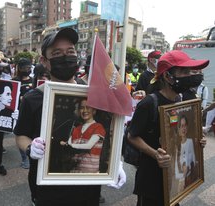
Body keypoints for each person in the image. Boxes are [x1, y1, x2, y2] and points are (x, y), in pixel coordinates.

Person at [14, 27, 126, 206]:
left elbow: (110, 130)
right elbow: (21, 135)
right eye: (57, 53)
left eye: (70, 51)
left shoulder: (95, 94)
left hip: (87, 188)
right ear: (45, 61)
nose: (65, 57)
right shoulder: (32, 98)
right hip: (48, 189)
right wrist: (30, 149)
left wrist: (114, 162)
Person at [127, 50, 208, 206]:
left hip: (173, 179)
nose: (189, 75)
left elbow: (181, 135)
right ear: (167, 76)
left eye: (189, 71)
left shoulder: (182, 100)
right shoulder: (149, 104)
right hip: (151, 180)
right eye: (183, 71)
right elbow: (131, 136)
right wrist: (155, 154)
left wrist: (197, 140)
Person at [60, 98, 106, 173]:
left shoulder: (98, 127)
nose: (85, 111)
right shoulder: (76, 129)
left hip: (89, 175)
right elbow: (68, 145)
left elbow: (88, 146)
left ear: (94, 110)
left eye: (88, 107)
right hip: (74, 172)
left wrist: (69, 145)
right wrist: (65, 144)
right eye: (82, 108)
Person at [13, 58, 33, 169]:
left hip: (31, 113)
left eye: (29, 67)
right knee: (20, 135)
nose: (28, 69)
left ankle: (30, 155)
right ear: (20, 68)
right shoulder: (14, 81)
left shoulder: (33, 80)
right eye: (26, 68)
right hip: (18, 113)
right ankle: (24, 158)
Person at [174, 115, 196, 193]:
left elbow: (194, 160)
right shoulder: (175, 145)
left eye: (185, 125)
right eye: (181, 126)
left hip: (186, 178)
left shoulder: (190, 142)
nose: (184, 128)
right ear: (178, 128)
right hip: (177, 180)